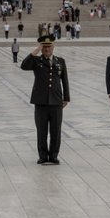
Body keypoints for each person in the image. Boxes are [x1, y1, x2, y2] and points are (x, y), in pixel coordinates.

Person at [21, 34, 70, 164]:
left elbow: (65, 81)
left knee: (56, 130)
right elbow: (23, 65)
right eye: (44, 47)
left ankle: (53, 156)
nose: (47, 49)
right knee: (41, 130)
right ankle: (43, 156)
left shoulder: (60, 61)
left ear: (53, 47)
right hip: (41, 101)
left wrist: (66, 98)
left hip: (56, 101)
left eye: (49, 46)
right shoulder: (37, 61)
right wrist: (36, 51)